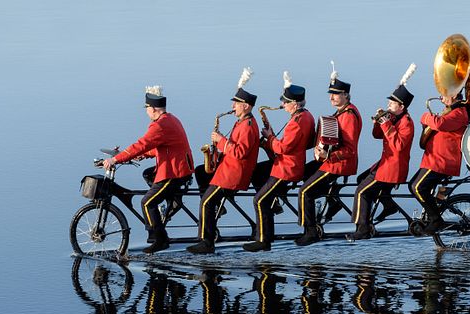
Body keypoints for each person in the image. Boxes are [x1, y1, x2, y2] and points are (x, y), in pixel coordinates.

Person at [103, 86, 193, 253]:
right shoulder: (170, 119)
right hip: (177, 166)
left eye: (147, 109)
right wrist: (142, 155)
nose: (146, 112)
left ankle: (160, 239)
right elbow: (158, 145)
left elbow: (142, 144)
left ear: (152, 109)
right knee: (148, 174)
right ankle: (164, 207)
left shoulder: (159, 125)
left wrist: (116, 158)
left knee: (147, 203)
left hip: (174, 172)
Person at [186, 68, 260, 254]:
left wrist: (221, 141)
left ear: (246, 106)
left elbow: (240, 152)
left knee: (205, 202)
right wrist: (216, 153)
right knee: (201, 172)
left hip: (232, 174)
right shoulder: (241, 122)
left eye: (236, 103)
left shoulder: (248, 126)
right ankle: (213, 218)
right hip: (227, 169)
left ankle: (207, 242)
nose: (233, 106)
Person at [242, 71, 314, 252]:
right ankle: (270, 218)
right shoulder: (305, 116)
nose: (282, 105)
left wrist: (270, 137)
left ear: (294, 104)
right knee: (258, 174)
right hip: (288, 163)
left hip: (287, 169)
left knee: (259, 200)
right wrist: (272, 139)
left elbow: (283, 148)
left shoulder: (297, 122)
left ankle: (263, 240)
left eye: (285, 102)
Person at [295, 62, 362, 246]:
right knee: (301, 173)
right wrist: (319, 149)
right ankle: (331, 198)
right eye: (331, 94)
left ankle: (310, 231)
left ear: (346, 95)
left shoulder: (348, 115)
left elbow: (350, 150)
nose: (332, 97)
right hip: (331, 161)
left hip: (338, 164)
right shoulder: (341, 112)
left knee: (305, 191)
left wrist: (327, 156)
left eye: (335, 94)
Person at [349, 64, 416, 240]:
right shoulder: (393, 118)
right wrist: (379, 121)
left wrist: (386, 123)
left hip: (393, 169)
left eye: (391, 103)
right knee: (360, 179)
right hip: (385, 165)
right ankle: (387, 204)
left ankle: (362, 228)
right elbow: (376, 136)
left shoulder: (407, 123)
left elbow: (399, 145)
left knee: (362, 192)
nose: (388, 104)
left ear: (401, 106)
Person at [409, 91, 469, 235]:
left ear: (454, 96)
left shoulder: (459, 112)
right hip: (433, 160)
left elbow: (439, 124)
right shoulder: (450, 111)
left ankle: (436, 220)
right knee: (413, 186)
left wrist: (425, 117)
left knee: (418, 187)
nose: (441, 98)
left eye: (444, 95)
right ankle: (432, 214)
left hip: (442, 161)